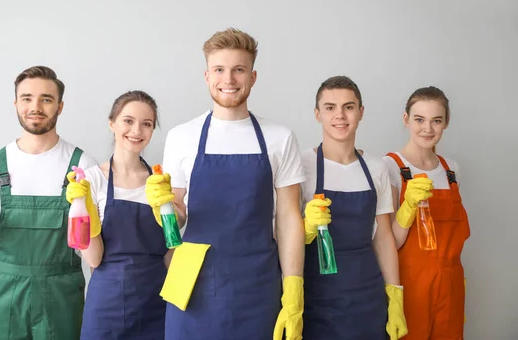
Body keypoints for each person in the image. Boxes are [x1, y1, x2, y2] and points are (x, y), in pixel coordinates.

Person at [145, 28, 306, 339]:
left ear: (253, 77)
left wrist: (294, 286)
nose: (228, 79)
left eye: (238, 70)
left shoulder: (279, 138)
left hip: (257, 283)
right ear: (207, 76)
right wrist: (161, 204)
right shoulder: (181, 137)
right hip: (191, 285)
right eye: (219, 70)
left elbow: (288, 218)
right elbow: (177, 219)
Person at [0, 66, 97, 340]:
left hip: (62, 296)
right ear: (16, 104)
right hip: (4, 296)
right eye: (26, 98)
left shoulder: (82, 167)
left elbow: (95, 248)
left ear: (60, 106)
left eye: (46, 99)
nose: (36, 107)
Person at [301, 75, 407, 339]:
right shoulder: (301, 165)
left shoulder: (376, 167)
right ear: (317, 114)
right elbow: (283, 234)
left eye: (348, 107)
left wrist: (395, 295)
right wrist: (305, 229)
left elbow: (383, 238)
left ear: (360, 113)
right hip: (317, 296)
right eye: (330, 108)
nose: (340, 116)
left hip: (367, 295)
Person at [66, 90, 168, 339]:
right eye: (128, 121)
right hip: (107, 304)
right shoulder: (90, 180)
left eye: (147, 124)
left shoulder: (159, 183)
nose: (137, 131)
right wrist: (83, 207)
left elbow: (170, 251)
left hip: (157, 300)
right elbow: (93, 259)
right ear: (112, 123)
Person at [383, 86, 470, 340]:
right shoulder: (391, 167)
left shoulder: (451, 170)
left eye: (436, 121)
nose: (427, 129)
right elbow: (391, 242)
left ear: (446, 123)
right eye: (419, 119)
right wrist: (408, 207)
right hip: (411, 285)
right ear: (406, 119)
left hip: (451, 285)